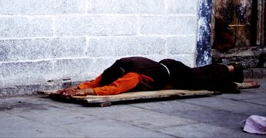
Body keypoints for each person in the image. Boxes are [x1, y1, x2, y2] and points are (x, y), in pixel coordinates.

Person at [55, 57, 244, 97]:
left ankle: (231, 68)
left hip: (174, 73)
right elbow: (97, 81)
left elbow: (114, 89)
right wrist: (76, 88)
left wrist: (88, 92)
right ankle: (228, 70)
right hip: (165, 67)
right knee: (200, 73)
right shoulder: (116, 67)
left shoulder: (131, 75)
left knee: (203, 76)